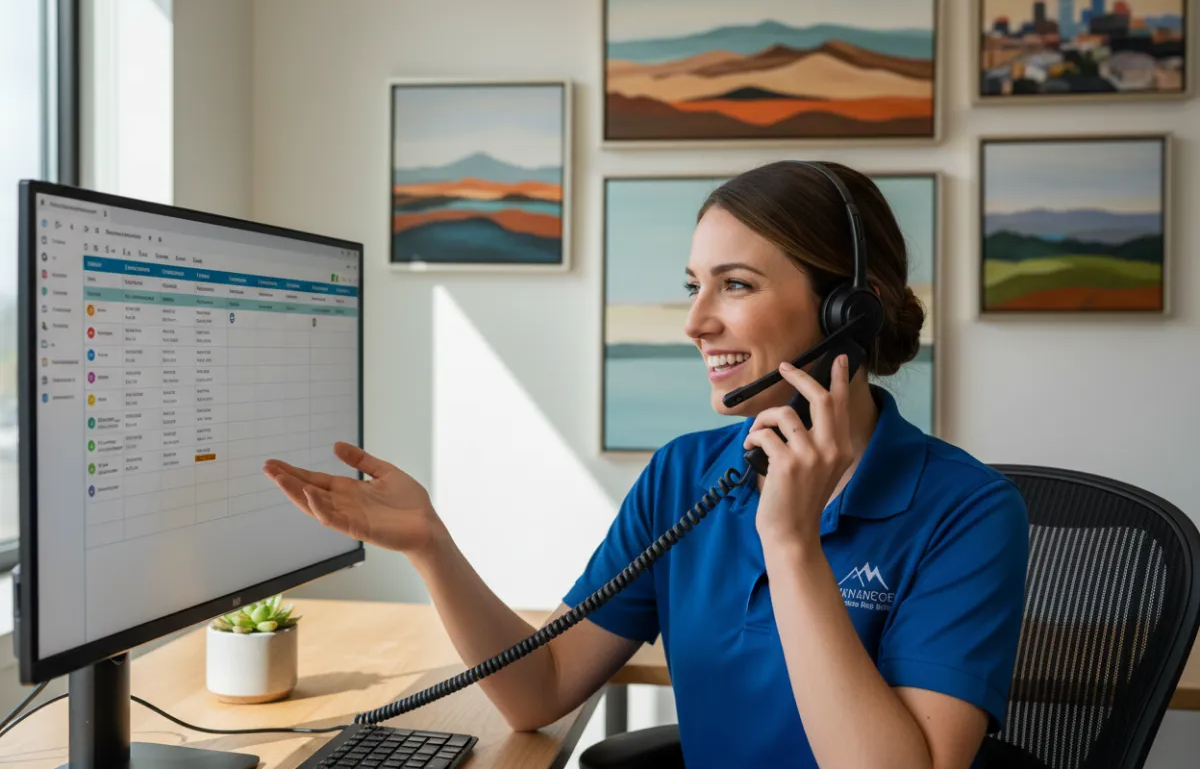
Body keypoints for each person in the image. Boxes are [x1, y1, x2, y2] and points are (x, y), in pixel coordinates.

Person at [263, 160, 1030, 769]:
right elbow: (541, 689)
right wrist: (431, 545)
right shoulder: (684, 476)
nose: (697, 323)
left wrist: (791, 544)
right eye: (695, 287)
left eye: (736, 285)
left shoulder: (968, 512)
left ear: (847, 313)